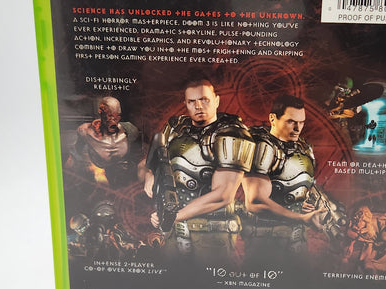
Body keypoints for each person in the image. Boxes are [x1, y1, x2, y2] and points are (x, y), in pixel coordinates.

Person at [144, 78, 255, 258]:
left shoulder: (232, 133)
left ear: (216, 100)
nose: (198, 106)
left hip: (211, 233)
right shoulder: (176, 129)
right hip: (174, 229)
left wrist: (173, 216)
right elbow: (152, 162)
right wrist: (149, 174)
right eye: (192, 101)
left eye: (204, 100)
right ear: (185, 104)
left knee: (208, 276)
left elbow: (223, 195)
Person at [242, 95, 345, 255]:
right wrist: (302, 217)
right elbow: (255, 202)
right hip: (266, 240)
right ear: (273, 118)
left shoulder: (303, 147)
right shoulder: (262, 146)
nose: (298, 128)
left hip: (298, 239)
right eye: (291, 122)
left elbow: (291, 188)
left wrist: (301, 203)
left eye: (301, 122)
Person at [67, 95, 141, 190]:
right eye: (110, 116)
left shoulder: (130, 130)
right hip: (98, 179)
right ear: (101, 113)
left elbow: (139, 157)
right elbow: (77, 153)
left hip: (124, 179)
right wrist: (96, 170)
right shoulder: (85, 131)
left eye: (117, 116)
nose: (114, 120)